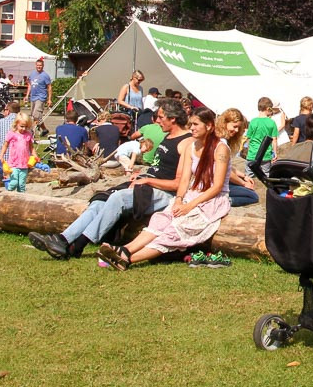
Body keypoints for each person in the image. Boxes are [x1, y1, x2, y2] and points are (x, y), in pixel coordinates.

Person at [28, 100, 191, 260]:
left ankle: (77, 246)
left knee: (118, 198)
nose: (156, 120)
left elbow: (177, 183)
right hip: (147, 184)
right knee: (100, 201)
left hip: (165, 194)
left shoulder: (185, 143)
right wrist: (143, 174)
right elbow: (160, 168)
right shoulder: (168, 136)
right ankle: (63, 239)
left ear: (173, 118)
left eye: (161, 117)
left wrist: (147, 181)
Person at [98, 106, 231, 270]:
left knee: (177, 229)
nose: (192, 128)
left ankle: (128, 258)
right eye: (191, 124)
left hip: (211, 200)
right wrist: (179, 200)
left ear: (209, 126)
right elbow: (184, 180)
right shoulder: (192, 147)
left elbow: (217, 186)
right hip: (191, 195)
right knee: (161, 219)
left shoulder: (220, 149)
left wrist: (190, 205)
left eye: (196, 124)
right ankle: (125, 249)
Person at [216, 108, 258, 207]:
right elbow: (228, 172)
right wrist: (243, 183)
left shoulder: (222, 140)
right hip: (218, 184)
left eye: (239, 128)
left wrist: (243, 176)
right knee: (252, 196)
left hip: (220, 181)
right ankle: (225, 202)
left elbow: (228, 167)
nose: (236, 130)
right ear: (225, 123)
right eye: (234, 127)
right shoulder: (222, 144)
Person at [0, 112, 34, 192]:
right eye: (22, 126)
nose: (24, 129)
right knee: (14, 182)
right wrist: (1, 155)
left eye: (26, 127)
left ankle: (21, 198)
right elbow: (5, 145)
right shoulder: (12, 134)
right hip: (13, 163)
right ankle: (8, 193)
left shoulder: (28, 135)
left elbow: (31, 147)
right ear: (16, 124)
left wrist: (35, 156)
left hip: (24, 164)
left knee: (21, 184)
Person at [244, 97, 279, 175]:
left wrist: (249, 150)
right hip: (265, 155)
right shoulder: (272, 122)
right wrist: (275, 153)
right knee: (266, 175)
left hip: (252, 154)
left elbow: (248, 139)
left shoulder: (253, 122)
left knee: (249, 176)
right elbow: (274, 140)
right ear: (268, 108)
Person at [24, 58, 53, 132]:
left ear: (43, 66)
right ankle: (44, 129)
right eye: (37, 65)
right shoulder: (32, 74)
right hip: (33, 97)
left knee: (36, 115)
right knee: (35, 116)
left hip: (41, 97)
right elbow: (30, 85)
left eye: (40, 65)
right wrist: (27, 95)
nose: (39, 67)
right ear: (35, 65)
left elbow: (49, 87)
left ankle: (32, 131)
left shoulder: (45, 75)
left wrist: (49, 99)